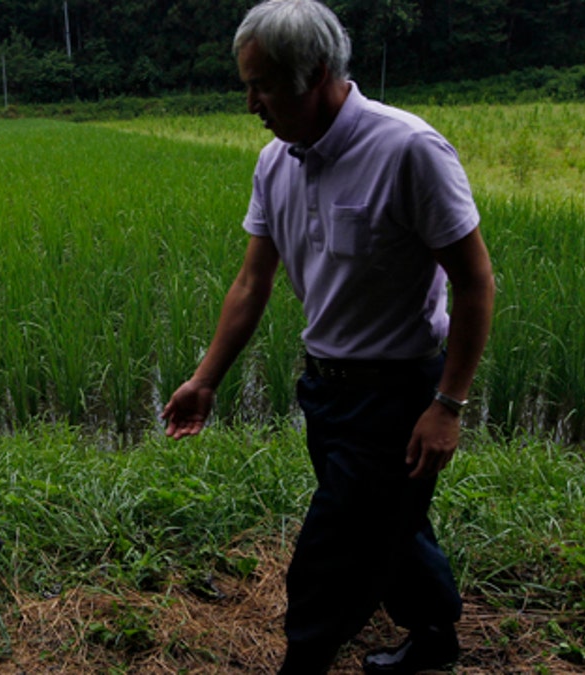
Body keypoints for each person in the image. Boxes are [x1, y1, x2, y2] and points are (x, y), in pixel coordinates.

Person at [161, 1, 495, 673]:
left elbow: (476, 281)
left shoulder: (407, 149)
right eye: (246, 84)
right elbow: (253, 282)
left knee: (331, 553)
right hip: (326, 391)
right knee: (391, 523)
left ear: (314, 73)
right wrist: (205, 379)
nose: (250, 102)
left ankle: (303, 661)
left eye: (262, 85)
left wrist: (449, 404)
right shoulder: (275, 161)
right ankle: (435, 638)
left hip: (399, 394)